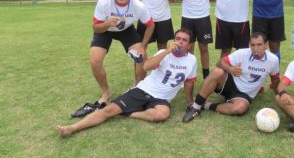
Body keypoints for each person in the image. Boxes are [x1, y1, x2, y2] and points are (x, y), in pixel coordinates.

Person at [56, 29, 197, 137]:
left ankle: (127, 113)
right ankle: (72, 128)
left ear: (189, 44)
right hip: (144, 90)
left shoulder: (192, 60)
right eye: (177, 38)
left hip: (162, 99)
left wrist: (190, 102)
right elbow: (147, 67)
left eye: (184, 40)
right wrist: (167, 51)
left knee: (163, 114)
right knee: (109, 110)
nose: (180, 42)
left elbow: (189, 82)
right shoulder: (163, 52)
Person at [72, 0, 155, 118]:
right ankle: (106, 93)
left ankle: (138, 88)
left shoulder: (138, 5)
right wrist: (107, 24)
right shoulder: (104, 2)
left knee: (142, 57)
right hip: (105, 30)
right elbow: (96, 27)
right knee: (95, 60)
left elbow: (150, 25)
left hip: (126, 30)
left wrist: (143, 45)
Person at [182, 32, 280, 123]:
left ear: (266, 44)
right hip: (230, 83)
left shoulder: (273, 60)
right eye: (252, 45)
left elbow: (275, 79)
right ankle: (195, 107)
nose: (255, 48)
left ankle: (207, 105)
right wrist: (231, 69)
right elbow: (220, 63)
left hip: (244, 95)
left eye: (259, 45)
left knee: (240, 108)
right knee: (217, 71)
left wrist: (279, 96)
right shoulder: (242, 53)